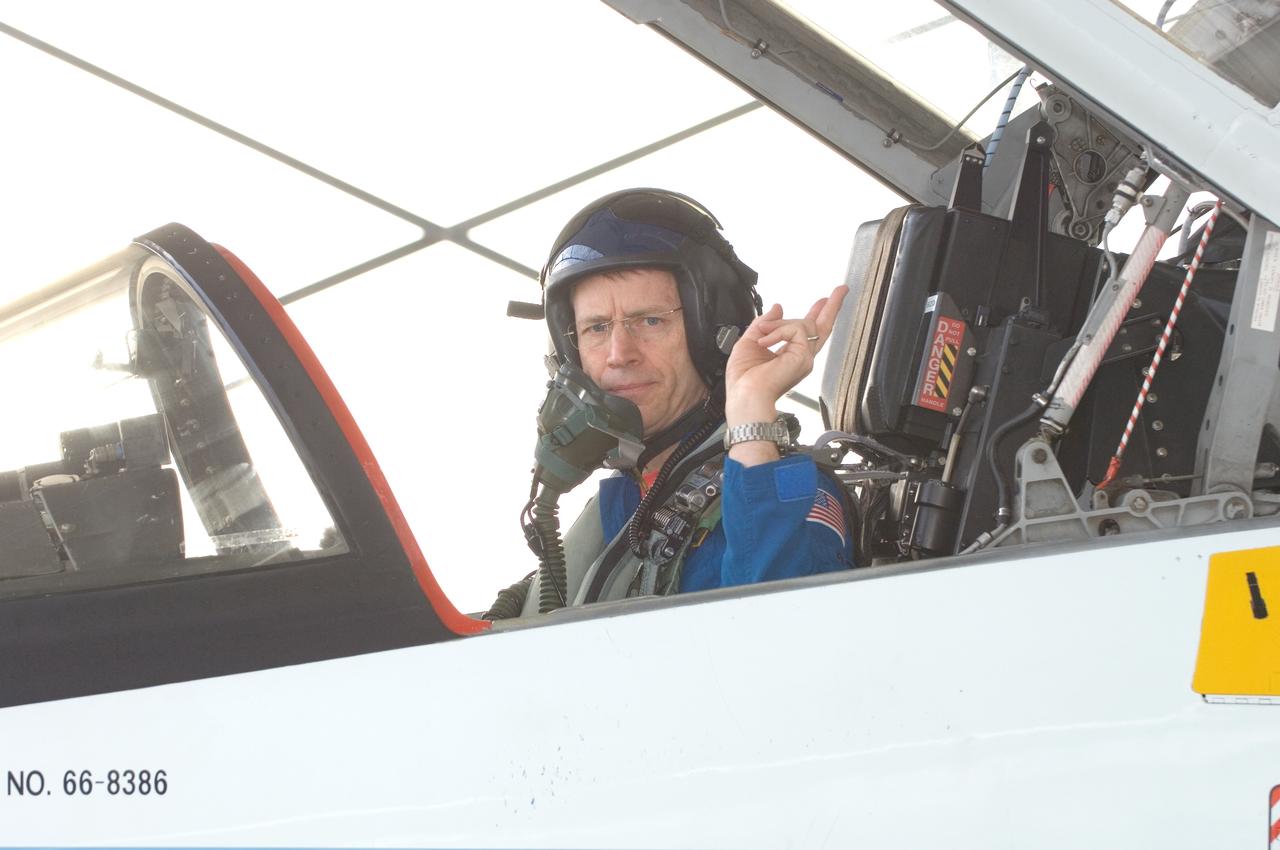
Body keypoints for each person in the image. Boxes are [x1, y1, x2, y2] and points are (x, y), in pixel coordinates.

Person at [489, 188, 853, 618]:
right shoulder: (624, 506)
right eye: (597, 328)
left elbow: (778, 636)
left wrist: (753, 417)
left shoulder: (787, 491)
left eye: (650, 320)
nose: (619, 352)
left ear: (711, 331)